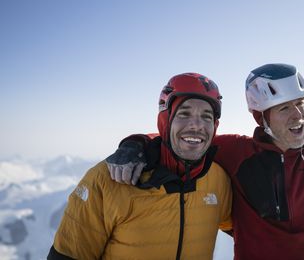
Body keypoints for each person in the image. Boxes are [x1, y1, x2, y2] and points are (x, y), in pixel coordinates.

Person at [106, 0, 304, 260]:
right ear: (261, 117)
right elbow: (178, 138)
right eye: (283, 108)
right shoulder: (236, 153)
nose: (298, 115)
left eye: (301, 104)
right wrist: (134, 144)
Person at [48, 73, 233, 260]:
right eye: (184, 113)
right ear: (165, 120)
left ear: (215, 125)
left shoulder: (218, 180)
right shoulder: (107, 179)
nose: (197, 125)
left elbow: (247, 229)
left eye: (207, 116)